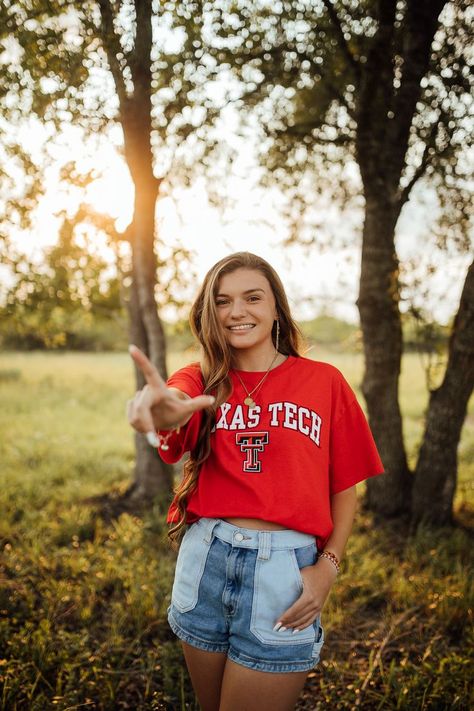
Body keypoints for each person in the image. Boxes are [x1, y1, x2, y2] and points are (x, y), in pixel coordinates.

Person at [126, 252, 384, 711]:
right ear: (210, 311)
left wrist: (329, 567)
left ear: (276, 308)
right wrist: (159, 407)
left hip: (282, 574)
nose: (236, 311)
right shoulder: (203, 378)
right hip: (207, 558)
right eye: (222, 301)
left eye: (252, 297)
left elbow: (344, 486)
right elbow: (171, 404)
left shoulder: (323, 382)